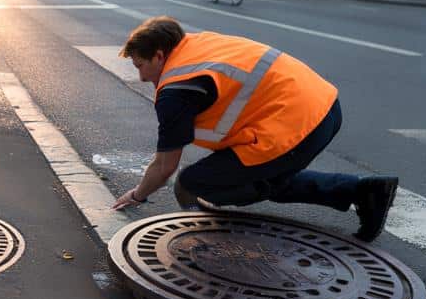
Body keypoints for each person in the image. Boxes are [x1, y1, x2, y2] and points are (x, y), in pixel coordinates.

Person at [110, 16, 399, 243]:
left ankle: (359, 193)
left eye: (140, 65)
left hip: (297, 126)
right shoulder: (198, 45)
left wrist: (137, 194)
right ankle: (365, 192)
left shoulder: (176, 88)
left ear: (159, 56)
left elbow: (164, 167)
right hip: (326, 106)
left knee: (193, 182)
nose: (140, 75)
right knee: (262, 172)